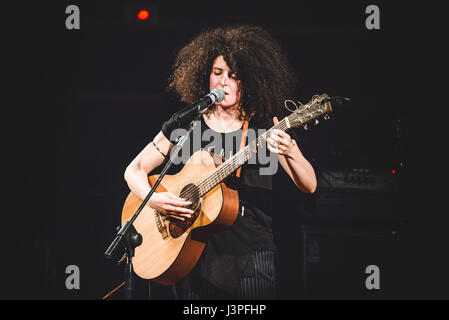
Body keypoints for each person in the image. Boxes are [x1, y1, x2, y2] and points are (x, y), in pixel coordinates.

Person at [124, 25, 317, 299]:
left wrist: (292, 152)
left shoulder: (264, 127)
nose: (223, 82)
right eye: (217, 73)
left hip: (249, 253)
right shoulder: (187, 124)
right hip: (187, 251)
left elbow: (309, 185)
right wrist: (153, 199)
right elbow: (135, 169)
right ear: (206, 76)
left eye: (233, 76)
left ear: (248, 83)